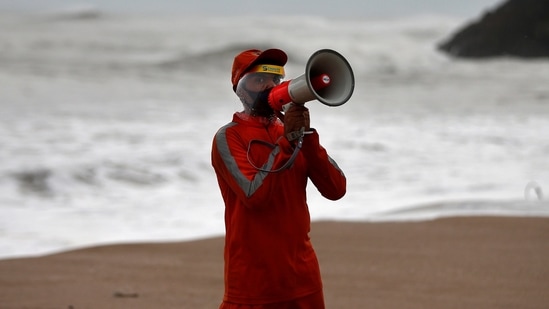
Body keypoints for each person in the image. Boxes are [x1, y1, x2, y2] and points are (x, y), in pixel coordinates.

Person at [211, 48, 347, 309]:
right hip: (252, 284)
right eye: (258, 80)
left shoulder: (292, 133)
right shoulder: (228, 137)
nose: (270, 85)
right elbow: (255, 196)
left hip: (303, 278)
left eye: (275, 78)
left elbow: (336, 188)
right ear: (240, 88)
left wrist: (306, 136)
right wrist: (286, 142)